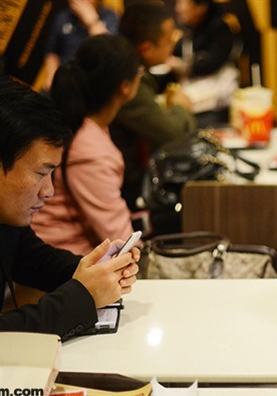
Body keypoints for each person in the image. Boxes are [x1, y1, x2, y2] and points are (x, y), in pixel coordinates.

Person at [0, 77, 139, 375]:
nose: (49, 191)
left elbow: (36, 260)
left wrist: (99, 270)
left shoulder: (0, 219)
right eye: (40, 173)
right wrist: (82, 297)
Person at [32, 34, 142, 255]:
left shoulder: (82, 124)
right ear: (125, 87)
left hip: (69, 255)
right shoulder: (90, 151)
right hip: (67, 261)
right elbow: (121, 241)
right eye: (139, 71)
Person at [111, 1, 196, 230]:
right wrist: (180, 107)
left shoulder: (127, 73)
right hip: (126, 191)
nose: (173, 43)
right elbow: (173, 134)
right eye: (168, 39)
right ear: (147, 48)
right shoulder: (128, 84)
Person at [169, 0, 240, 127]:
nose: (178, 9)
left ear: (201, 7)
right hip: (194, 101)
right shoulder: (189, 31)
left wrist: (181, 66)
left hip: (215, 106)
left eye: (184, 3)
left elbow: (210, 64)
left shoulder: (220, 29)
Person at [41, 0, 119, 92]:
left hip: (90, 86)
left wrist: (92, 22)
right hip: (63, 81)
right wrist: (52, 76)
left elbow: (108, 53)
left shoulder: (112, 19)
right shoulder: (63, 17)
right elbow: (52, 53)